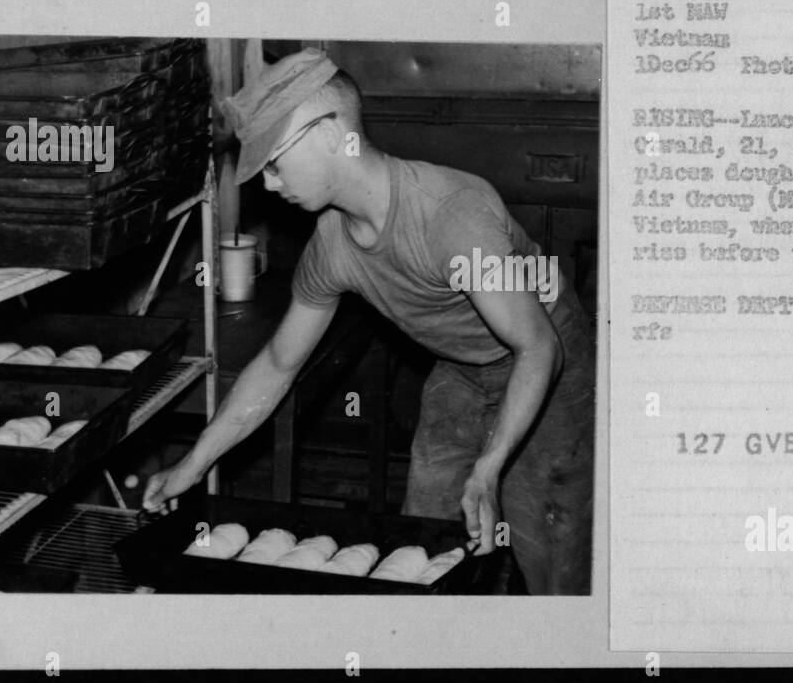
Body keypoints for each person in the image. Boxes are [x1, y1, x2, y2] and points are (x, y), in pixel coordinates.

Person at [143, 48, 594, 594]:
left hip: (550, 362)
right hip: (463, 367)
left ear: (330, 135)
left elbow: (537, 346)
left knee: (547, 544)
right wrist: (194, 462)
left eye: (275, 162)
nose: (267, 183)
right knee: (424, 542)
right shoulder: (332, 244)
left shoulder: (450, 214)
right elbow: (279, 363)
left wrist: (491, 463)